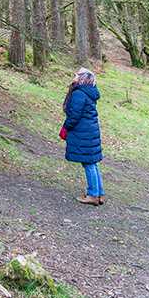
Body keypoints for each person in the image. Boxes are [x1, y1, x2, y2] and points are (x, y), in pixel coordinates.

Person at [62, 67, 104, 206]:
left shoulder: (79, 93)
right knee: (92, 163)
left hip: (83, 132)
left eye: (77, 74)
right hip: (90, 130)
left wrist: (66, 127)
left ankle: (93, 195)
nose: (74, 75)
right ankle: (99, 194)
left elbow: (74, 116)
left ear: (83, 78)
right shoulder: (88, 91)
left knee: (89, 164)